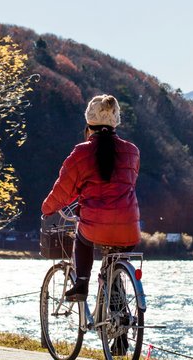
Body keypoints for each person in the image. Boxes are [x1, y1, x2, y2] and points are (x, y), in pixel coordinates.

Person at [42, 94, 141, 302]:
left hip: (94, 226)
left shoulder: (82, 152)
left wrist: (47, 209)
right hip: (129, 227)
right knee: (115, 264)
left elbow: (64, 189)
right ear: (116, 122)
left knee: (82, 236)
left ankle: (82, 284)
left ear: (89, 123)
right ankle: (117, 310)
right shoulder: (132, 151)